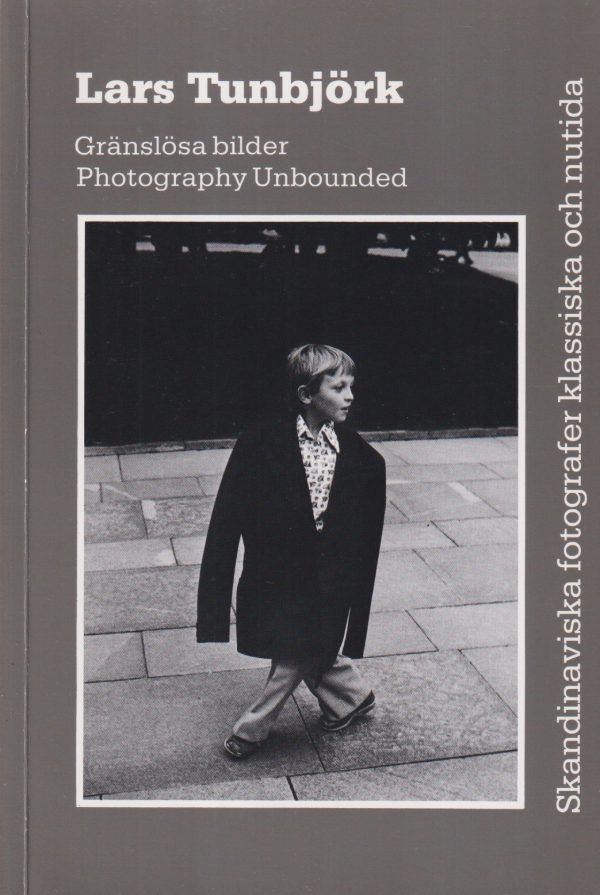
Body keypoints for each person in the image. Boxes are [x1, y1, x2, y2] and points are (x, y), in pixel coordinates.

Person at [196, 344, 386, 758]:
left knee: (293, 652)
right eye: (338, 387)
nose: (350, 396)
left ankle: (253, 729)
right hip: (278, 575)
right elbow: (226, 521)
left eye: (351, 386)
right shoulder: (260, 444)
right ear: (306, 394)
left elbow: (362, 534)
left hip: (328, 580)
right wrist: (214, 605)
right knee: (305, 643)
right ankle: (352, 696)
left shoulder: (360, 456)